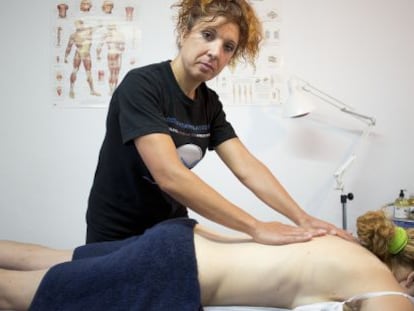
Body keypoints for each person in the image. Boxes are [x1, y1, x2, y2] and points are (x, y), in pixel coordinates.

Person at [85, 0, 352, 244]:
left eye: (228, 47)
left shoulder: (209, 102)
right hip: (117, 229)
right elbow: (170, 176)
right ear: (183, 33)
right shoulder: (142, 85)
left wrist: (302, 218)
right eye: (208, 35)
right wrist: (255, 227)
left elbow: (247, 167)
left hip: (169, 226)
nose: (215, 52)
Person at [0, 214, 413, 311]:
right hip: (173, 270)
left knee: (49, 260)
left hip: (180, 240)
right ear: (410, 276)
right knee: (18, 295)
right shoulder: (390, 292)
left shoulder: (350, 249)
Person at [64, 19, 101, 99]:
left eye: (78, 24)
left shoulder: (88, 30)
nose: (77, 26)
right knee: (75, 70)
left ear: (82, 24)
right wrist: (66, 56)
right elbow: (69, 47)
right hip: (79, 53)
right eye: (76, 25)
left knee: (88, 72)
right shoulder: (73, 35)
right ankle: (71, 90)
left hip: (86, 53)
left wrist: (101, 24)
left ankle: (92, 90)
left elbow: (97, 27)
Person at [96, 24, 125, 95]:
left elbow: (99, 46)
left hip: (111, 53)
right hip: (117, 54)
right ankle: (113, 90)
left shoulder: (107, 35)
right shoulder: (120, 34)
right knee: (116, 73)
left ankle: (111, 90)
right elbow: (122, 47)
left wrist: (98, 55)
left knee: (112, 73)